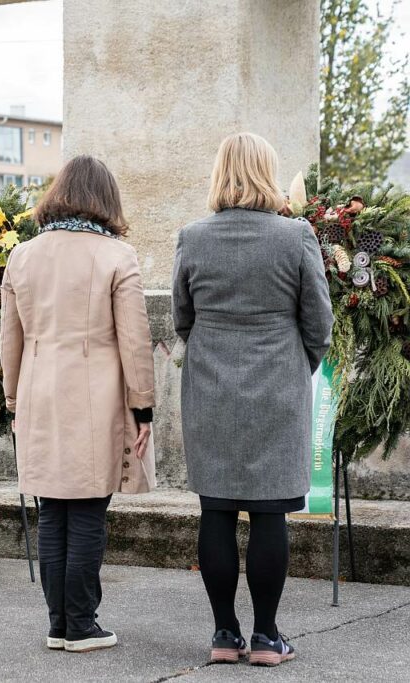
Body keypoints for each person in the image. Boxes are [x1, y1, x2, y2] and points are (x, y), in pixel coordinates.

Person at [172, 132, 333, 667]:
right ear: (268, 172)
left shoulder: (193, 238)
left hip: (210, 387)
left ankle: (223, 635)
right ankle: (266, 637)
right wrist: (296, 366)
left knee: (214, 510)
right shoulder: (296, 236)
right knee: (269, 516)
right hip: (276, 386)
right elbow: (319, 322)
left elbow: (182, 318)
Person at [0, 154, 156, 652]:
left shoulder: (22, 255)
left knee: (53, 512)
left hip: (38, 391)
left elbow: (10, 339)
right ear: (106, 199)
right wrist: (143, 406)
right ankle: (82, 624)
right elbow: (135, 340)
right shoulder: (116, 256)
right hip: (96, 395)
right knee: (88, 510)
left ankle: (58, 623)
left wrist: (12, 397)